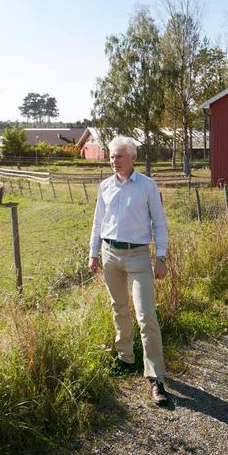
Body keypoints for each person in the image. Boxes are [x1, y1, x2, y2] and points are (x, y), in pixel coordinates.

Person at [89, 135, 169, 406]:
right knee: (119, 309)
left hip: (138, 257)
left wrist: (161, 257)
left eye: (119, 156)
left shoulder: (147, 186)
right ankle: (126, 359)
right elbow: (98, 221)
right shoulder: (104, 187)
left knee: (146, 315)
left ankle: (156, 377)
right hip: (110, 255)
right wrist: (93, 253)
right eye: (111, 156)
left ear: (132, 157)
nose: (114, 161)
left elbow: (159, 223)